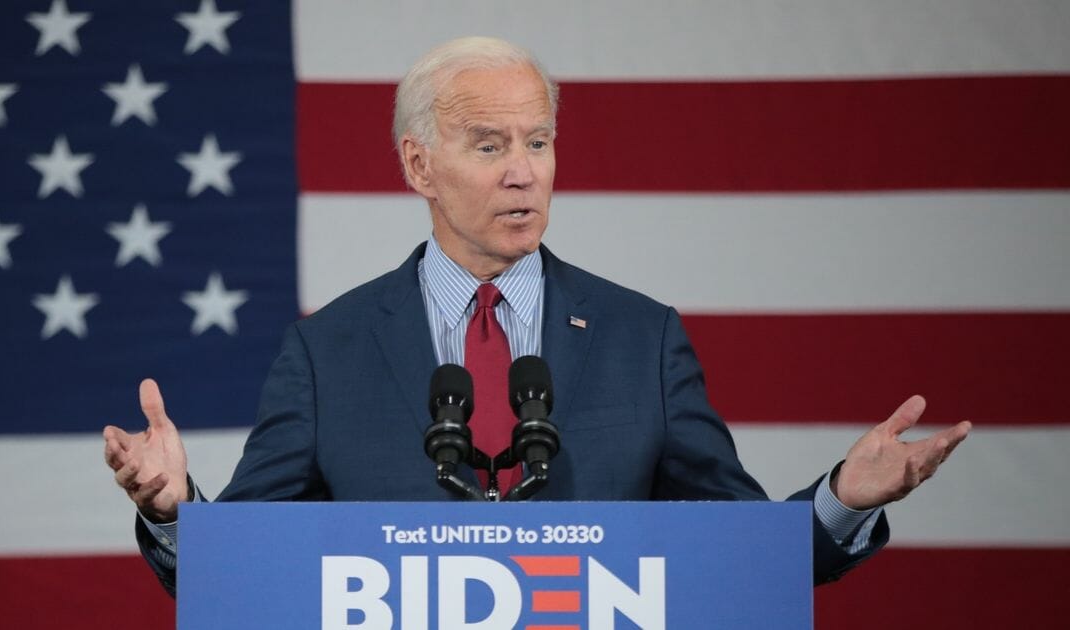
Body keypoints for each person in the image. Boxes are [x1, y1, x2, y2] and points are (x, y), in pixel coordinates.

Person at [103, 36, 971, 596]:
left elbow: (737, 561)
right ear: (419, 166)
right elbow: (247, 575)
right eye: (490, 146)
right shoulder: (328, 351)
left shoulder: (642, 338)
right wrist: (178, 511)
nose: (524, 172)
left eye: (539, 142)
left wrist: (840, 502)